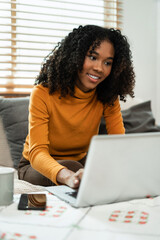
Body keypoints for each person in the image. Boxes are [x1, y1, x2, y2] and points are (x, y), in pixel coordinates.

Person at [18, 25, 135, 189]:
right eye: (93, 57)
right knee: (75, 168)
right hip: (36, 165)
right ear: (75, 56)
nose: (99, 68)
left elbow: (118, 144)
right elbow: (37, 154)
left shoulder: (107, 96)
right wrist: (68, 177)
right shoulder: (42, 93)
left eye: (108, 62)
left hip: (80, 161)